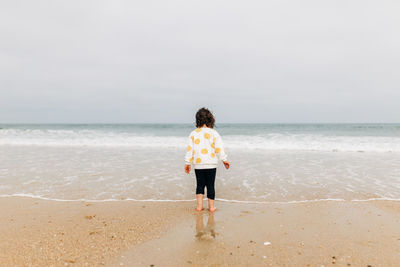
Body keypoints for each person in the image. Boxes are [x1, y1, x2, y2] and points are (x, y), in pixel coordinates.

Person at [184, 107, 230, 212]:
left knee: (199, 185)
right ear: (210, 119)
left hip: (198, 164)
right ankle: (211, 207)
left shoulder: (193, 133)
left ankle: (199, 207)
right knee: (210, 185)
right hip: (211, 164)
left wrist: (187, 163)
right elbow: (219, 148)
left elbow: (190, 149)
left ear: (197, 120)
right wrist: (224, 160)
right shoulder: (214, 133)